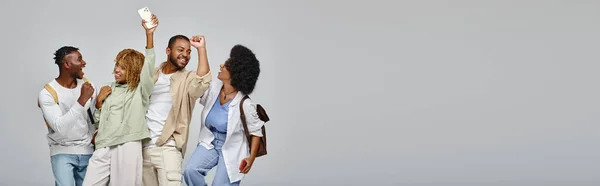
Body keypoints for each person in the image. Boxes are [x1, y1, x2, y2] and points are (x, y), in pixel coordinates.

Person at [81, 14, 159, 186]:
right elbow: (99, 123)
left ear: (133, 70)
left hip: (127, 144)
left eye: (123, 67)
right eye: (117, 65)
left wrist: (149, 35)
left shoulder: (140, 89)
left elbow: (148, 68)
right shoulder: (107, 88)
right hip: (103, 144)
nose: (117, 69)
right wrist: (99, 103)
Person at [184, 45, 263, 186]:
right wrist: (201, 49)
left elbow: (256, 132)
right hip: (211, 141)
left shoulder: (245, 104)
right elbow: (201, 80)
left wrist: (251, 158)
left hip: (232, 146)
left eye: (226, 66)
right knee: (191, 170)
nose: (221, 66)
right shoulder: (214, 87)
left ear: (235, 74)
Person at [142, 32, 212, 186]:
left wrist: (201, 49)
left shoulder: (188, 79)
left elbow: (202, 82)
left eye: (188, 52)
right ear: (168, 51)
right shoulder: (153, 74)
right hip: (145, 147)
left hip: (168, 147)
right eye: (180, 50)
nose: (185, 55)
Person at [38, 46, 97, 186]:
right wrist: (81, 100)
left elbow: (92, 119)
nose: (84, 63)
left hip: (88, 151)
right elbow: (60, 127)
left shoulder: (88, 86)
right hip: (62, 152)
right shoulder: (47, 93)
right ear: (67, 64)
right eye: (80, 59)